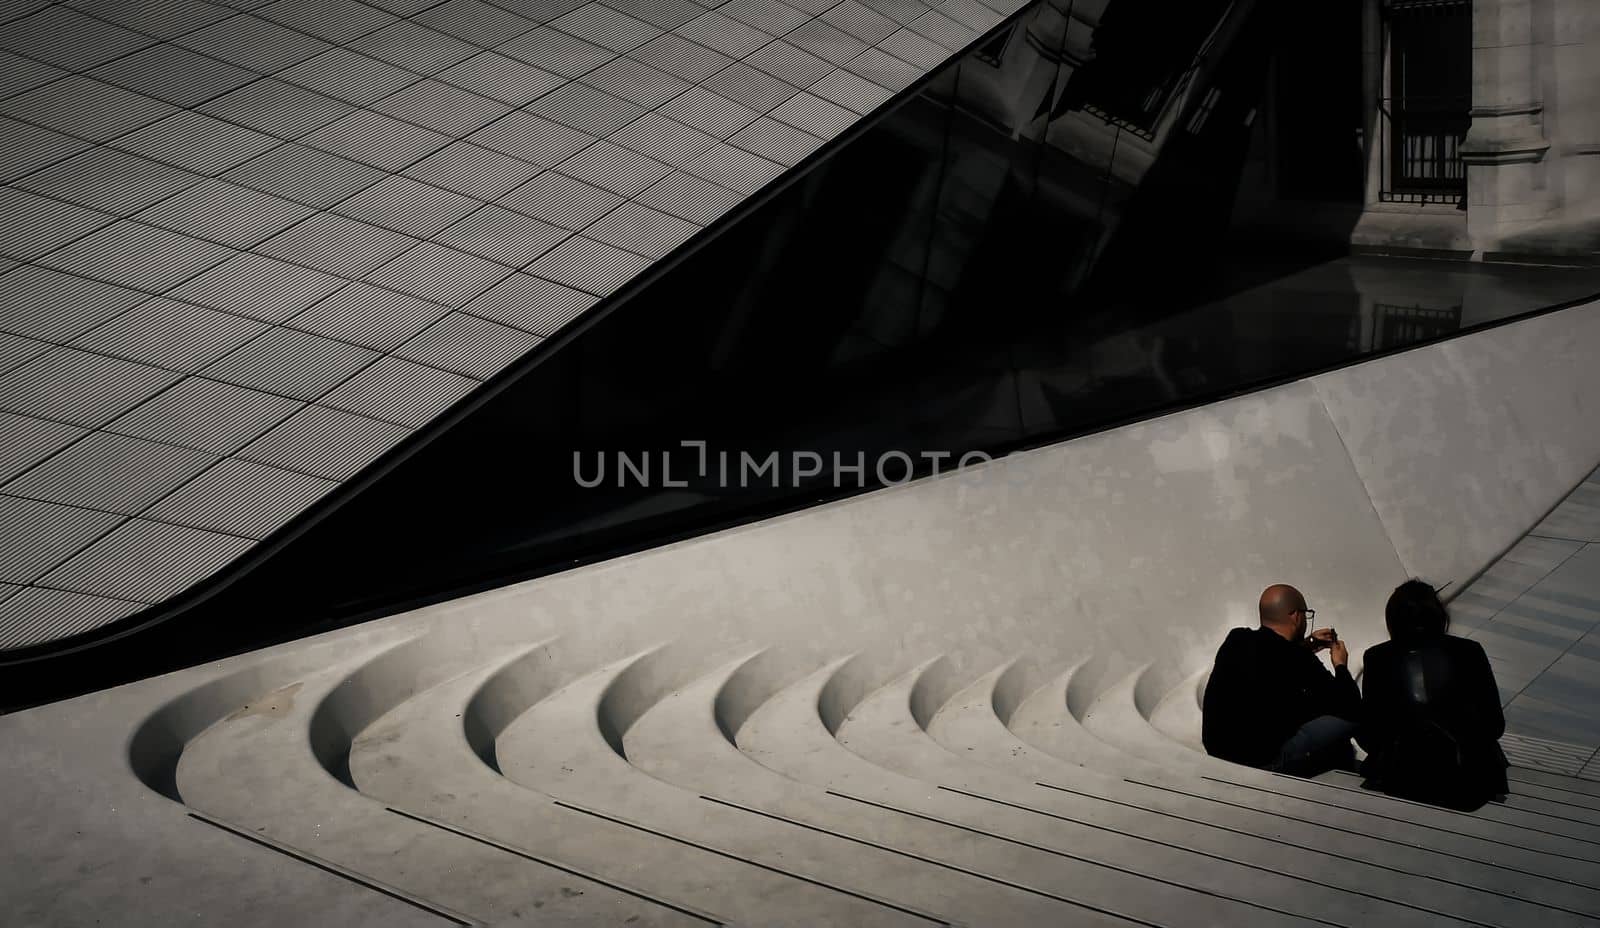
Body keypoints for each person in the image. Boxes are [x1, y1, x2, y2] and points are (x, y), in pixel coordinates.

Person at [1357, 579, 1509, 810]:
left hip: (1401, 776)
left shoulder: (1377, 657)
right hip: (1465, 780)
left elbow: (1369, 734)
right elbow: (1494, 725)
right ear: (1438, 614)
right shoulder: (1470, 651)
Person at [1202, 584, 1362, 775]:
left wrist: (1307, 644)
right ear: (1296, 616)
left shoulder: (1236, 638)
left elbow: (1272, 657)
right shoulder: (1300, 660)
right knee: (1349, 720)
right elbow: (1351, 705)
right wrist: (1340, 664)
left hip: (1219, 753)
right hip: (1262, 762)